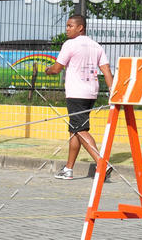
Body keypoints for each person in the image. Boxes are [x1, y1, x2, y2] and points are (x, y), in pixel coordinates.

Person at [45, 14, 114, 179]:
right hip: (91, 93)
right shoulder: (96, 46)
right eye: (67, 26)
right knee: (74, 130)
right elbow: (106, 70)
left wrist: (48, 70)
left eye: (70, 26)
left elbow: (56, 68)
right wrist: (112, 90)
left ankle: (102, 162)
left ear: (80, 27)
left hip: (76, 93)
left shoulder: (70, 44)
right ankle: (68, 169)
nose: (67, 29)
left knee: (80, 129)